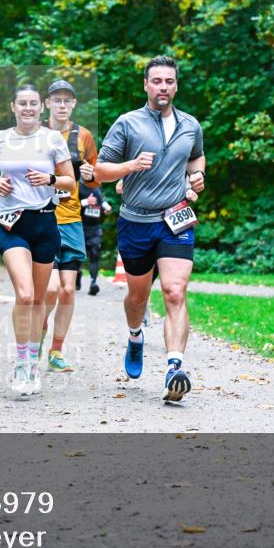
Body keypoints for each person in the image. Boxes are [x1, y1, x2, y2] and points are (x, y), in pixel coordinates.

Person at [94, 56, 206, 403]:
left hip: (175, 220)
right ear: (146, 85)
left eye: (169, 81)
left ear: (176, 85)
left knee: (175, 291)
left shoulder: (190, 125)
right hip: (135, 223)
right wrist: (130, 166)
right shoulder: (128, 123)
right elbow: (100, 170)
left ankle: (174, 369)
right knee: (137, 298)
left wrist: (197, 177)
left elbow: (196, 156)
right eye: (156, 81)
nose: (163, 87)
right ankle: (135, 336)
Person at [0, 84, 76, 396]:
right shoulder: (0, 138)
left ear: (41, 107)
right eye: (22, 103)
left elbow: (70, 181)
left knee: (38, 299)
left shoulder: (52, 139)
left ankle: (33, 362)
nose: (28, 108)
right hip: (12, 224)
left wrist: (49, 179)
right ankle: (22, 362)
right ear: (13, 106)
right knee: (24, 295)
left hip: (44, 222)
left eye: (33, 103)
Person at [39, 79, 100, 374]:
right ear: (47, 103)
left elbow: (96, 179)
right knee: (50, 290)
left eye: (67, 100)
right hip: (42, 217)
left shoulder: (83, 136)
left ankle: (56, 350)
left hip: (72, 219)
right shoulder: (34, 134)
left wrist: (90, 175)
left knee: (67, 291)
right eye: (57, 100)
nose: (62, 105)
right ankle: (38, 334)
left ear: (73, 104)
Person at [77, 181, 112, 295]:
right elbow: (70, 205)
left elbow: (101, 200)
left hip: (95, 228)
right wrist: (86, 202)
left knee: (95, 252)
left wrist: (106, 207)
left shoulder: (98, 186)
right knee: (78, 255)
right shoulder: (78, 186)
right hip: (80, 227)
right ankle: (77, 275)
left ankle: (93, 283)